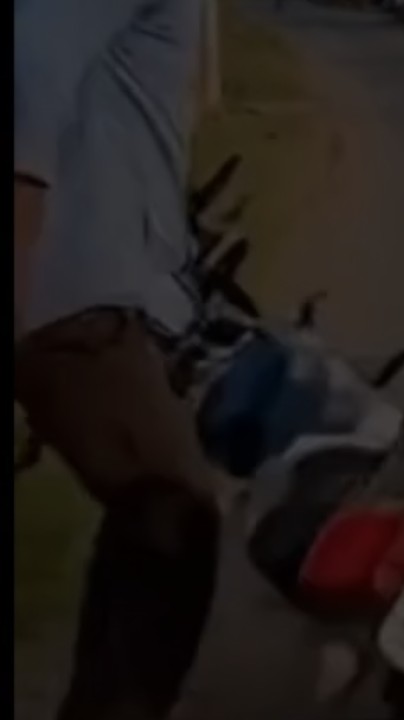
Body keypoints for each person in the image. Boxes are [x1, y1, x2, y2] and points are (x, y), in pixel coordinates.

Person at [14, 2, 221, 718]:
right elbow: (27, 75)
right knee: (171, 514)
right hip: (70, 298)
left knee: (154, 514)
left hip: (122, 295)